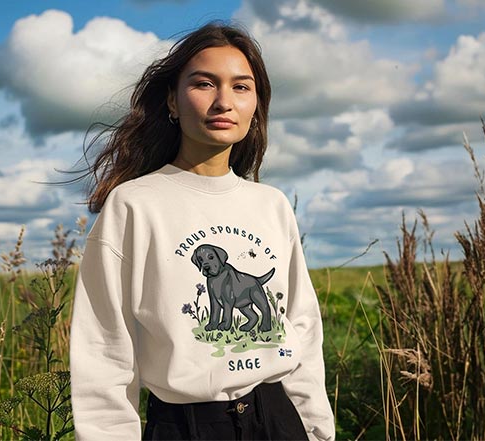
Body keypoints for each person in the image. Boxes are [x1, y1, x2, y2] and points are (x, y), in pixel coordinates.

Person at [69, 21, 335, 440]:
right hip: (187, 426)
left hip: (278, 417)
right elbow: (103, 349)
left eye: (241, 87)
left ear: (256, 105)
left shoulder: (272, 205)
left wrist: (317, 430)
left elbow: (301, 329)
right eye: (205, 84)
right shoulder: (135, 205)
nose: (223, 102)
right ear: (172, 101)